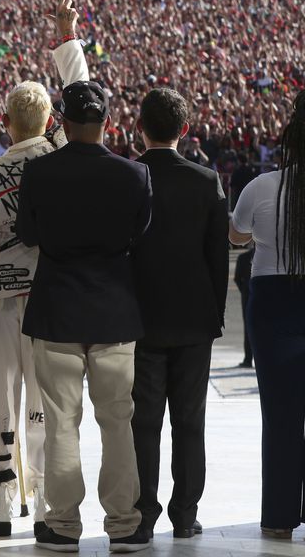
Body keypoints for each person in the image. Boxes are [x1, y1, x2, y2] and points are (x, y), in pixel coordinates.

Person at [0, 0, 89, 538]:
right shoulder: (64, 162)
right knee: (44, 400)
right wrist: (67, 38)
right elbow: (85, 99)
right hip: (50, 295)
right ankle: (41, 502)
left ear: (7, 122)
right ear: (47, 121)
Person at [17, 79, 152, 553]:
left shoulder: (40, 173)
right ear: (107, 121)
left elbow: (28, 233)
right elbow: (138, 234)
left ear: (63, 123)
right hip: (113, 312)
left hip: (57, 310)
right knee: (117, 422)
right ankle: (123, 524)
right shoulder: (134, 175)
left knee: (61, 422)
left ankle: (63, 525)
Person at [130, 88, 228, 540]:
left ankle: (144, 516)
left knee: (145, 423)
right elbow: (217, 259)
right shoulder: (207, 181)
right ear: (185, 131)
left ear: (139, 129)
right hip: (193, 320)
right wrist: (216, 316)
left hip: (141, 319)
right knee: (190, 423)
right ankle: (184, 516)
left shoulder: (127, 177)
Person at [229, 89, 305, 540]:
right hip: (279, 300)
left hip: (273, 302)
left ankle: (279, 516)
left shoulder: (262, 187)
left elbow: (237, 235)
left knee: (280, 418)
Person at [233, 247, 255, 368]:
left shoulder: (243, 257)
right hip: (250, 296)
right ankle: (248, 358)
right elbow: (236, 278)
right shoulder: (244, 258)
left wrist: (244, 291)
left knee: (248, 328)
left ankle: (248, 359)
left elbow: (237, 279)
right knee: (250, 328)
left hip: (248, 295)